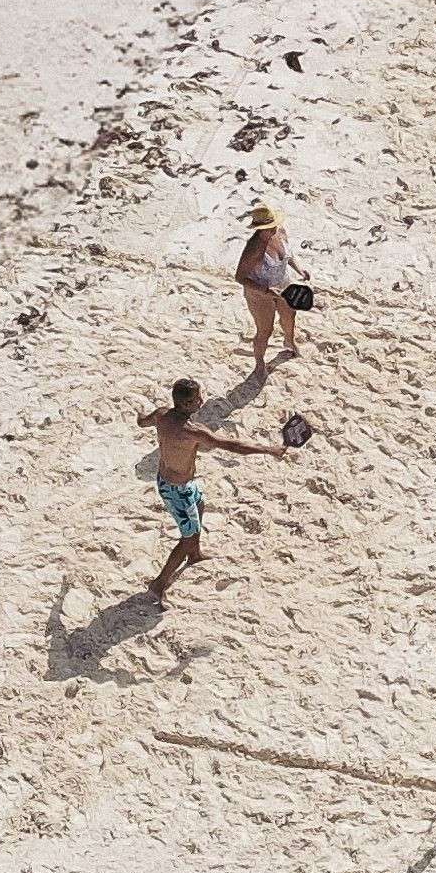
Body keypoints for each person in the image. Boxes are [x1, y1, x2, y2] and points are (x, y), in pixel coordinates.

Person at [139, 375, 285, 593]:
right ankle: (159, 584)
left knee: (199, 504)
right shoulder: (192, 431)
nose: (201, 401)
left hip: (174, 480)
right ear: (186, 403)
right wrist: (268, 450)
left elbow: (143, 422)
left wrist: (139, 415)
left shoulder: (161, 414)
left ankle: (195, 554)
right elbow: (232, 446)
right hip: (176, 490)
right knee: (186, 537)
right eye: (198, 399)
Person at [233, 203, 302, 370]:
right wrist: (265, 290)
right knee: (265, 331)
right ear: (259, 229)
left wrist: (299, 269)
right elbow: (240, 277)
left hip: (282, 284)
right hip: (260, 294)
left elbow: (288, 255)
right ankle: (259, 364)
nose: (273, 229)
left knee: (290, 316)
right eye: (268, 228)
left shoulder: (280, 231)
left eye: (273, 225)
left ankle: (289, 341)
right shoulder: (254, 249)